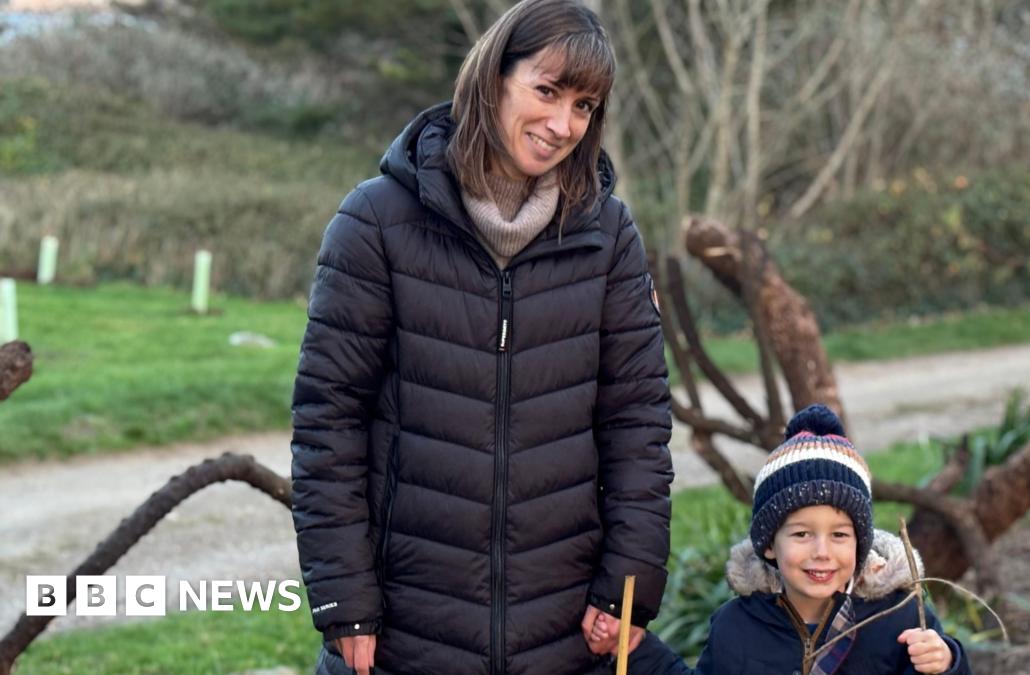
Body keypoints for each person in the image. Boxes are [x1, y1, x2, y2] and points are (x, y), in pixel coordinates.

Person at [289, 1, 673, 673]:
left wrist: (628, 587)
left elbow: (637, 423)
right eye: (547, 91)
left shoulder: (609, 236)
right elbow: (329, 423)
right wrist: (345, 600)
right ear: (493, 77)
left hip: (564, 631)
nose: (563, 125)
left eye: (584, 106)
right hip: (407, 631)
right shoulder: (374, 223)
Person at [592, 405, 971, 675]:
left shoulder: (899, 617)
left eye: (840, 535)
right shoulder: (738, 626)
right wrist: (637, 650)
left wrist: (947, 662)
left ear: (860, 542)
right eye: (802, 533)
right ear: (769, 544)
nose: (821, 552)